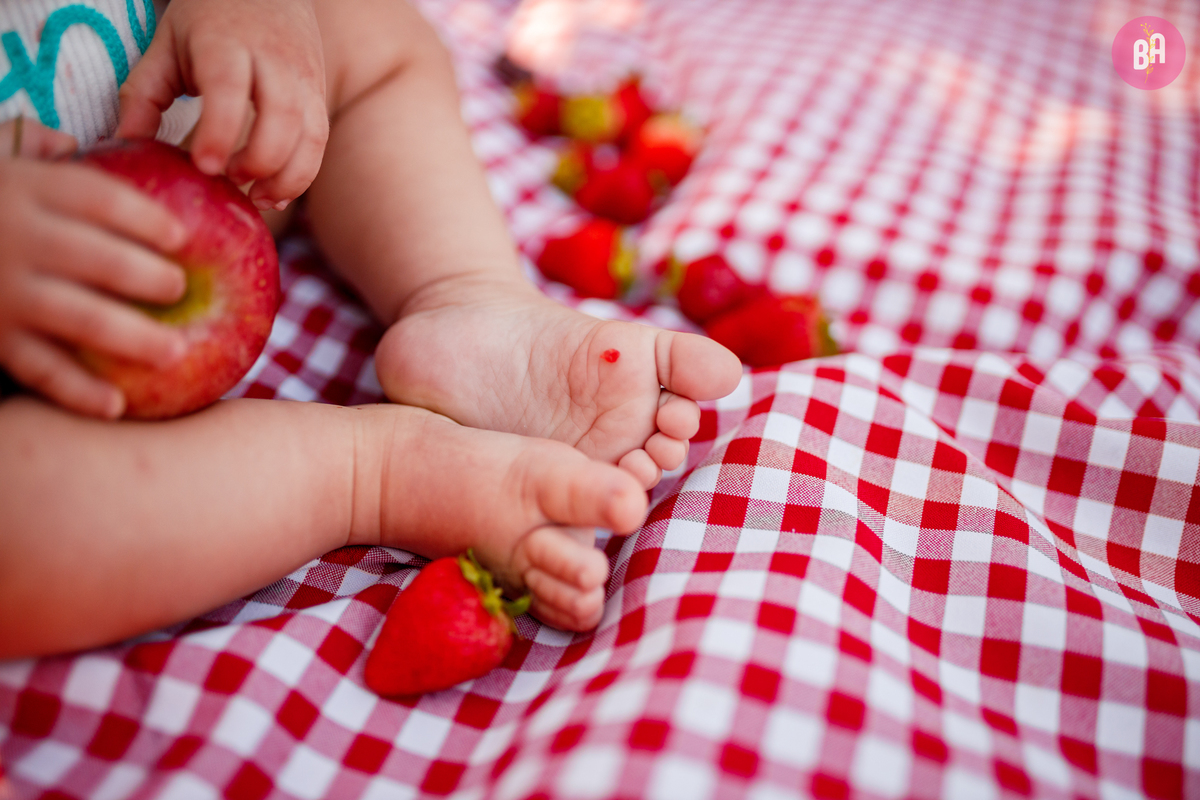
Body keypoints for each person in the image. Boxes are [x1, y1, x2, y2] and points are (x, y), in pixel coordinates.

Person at [0, 0, 742, 658]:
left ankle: (464, 295)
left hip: (215, 130)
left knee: (371, 31)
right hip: (32, 348)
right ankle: (377, 473)